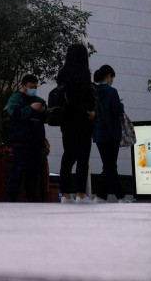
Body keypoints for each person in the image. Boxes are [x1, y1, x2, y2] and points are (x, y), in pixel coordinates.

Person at [56, 43, 97, 203]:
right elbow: (85, 97)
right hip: (82, 119)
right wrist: (90, 112)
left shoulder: (62, 73)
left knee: (68, 155)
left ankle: (65, 194)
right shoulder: (84, 72)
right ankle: (81, 194)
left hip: (66, 120)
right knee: (82, 156)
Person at [6, 74, 47, 202]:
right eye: (31, 87)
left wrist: (43, 112)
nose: (33, 89)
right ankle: (11, 198)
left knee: (33, 174)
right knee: (18, 171)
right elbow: (15, 115)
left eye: (35, 87)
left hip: (36, 143)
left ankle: (32, 199)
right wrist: (30, 108)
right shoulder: (15, 99)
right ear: (23, 86)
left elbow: (47, 118)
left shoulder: (40, 100)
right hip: (21, 142)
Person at [92, 65, 130, 203]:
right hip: (112, 133)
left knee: (109, 165)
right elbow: (117, 110)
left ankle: (116, 197)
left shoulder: (94, 91)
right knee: (110, 166)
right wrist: (121, 106)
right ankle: (102, 196)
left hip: (98, 133)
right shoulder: (112, 91)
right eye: (112, 77)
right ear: (108, 76)